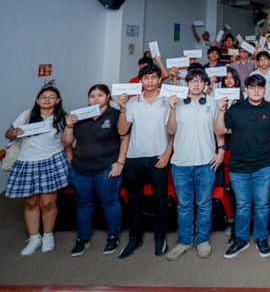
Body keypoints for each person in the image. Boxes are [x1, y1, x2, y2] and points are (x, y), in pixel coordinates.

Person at [215, 74, 270, 259]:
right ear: (245, 89)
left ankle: (261, 238)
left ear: (265, 90)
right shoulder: (235, 109)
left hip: (263, 165)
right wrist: (221, 111)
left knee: (262, 205)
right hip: (238, 167)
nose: (256, 91)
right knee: (243, 206)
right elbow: (219, 131)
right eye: (252, 87)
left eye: (260, 88)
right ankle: (241, 239)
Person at [164, 69, 225, 260]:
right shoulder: (177, 103)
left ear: (206, 84)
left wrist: (221, 152)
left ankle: (202, 240)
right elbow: (170, 130)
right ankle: (184, 241)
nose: (196, 84)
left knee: (204, 204)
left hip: (206, 163)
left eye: (200, 81)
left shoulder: (213, 103)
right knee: (184, 205)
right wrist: (172, 109)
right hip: (181, 163)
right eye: (192, 81)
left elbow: (219, 131)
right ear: (187, 84)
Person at [61, 84, 128, 257]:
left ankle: (113, 236)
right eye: (92, 96)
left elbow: (124, 137)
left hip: (106, 168)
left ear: (107, 97)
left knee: (110, 203)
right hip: (81, 168)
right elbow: (66, 142)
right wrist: (68, 126)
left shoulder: (114, 115)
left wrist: (120, 163)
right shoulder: (79, 116)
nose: (95, 99)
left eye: (100, 95)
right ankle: (82, 238)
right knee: (84, 204)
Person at [5, 86, 69, 256]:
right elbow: (8, 133)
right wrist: (15, 132)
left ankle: (48, 236)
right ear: (37, 100)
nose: (47, 99)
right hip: (27, 162)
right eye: (43, 96)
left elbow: (67, 142)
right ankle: (34, 238)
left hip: (51, 160)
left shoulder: (62, 118)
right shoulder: (26, 115)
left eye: (51, 96)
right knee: (31, 202)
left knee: (48, 203)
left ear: (58, 100)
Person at [116, 64, 173, 259]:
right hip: (134, 157)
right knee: (134, 200)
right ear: (140, 81)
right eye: (145, 78)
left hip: (158, 156)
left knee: (160, 200)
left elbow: (173, 130)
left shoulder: (168, 101)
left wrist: (168, 152)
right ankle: (135, 237)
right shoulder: (132, 103)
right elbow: (122, 131)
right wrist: (122, 109)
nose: (149, 81)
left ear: (159, 79)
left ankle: (160, 237)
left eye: (153, 77)